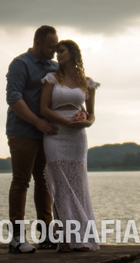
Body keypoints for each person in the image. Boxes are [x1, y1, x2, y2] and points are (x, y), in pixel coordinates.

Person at [39, 39, 99, 252]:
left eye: (62, 51)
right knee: (61, 186)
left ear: (73, 53)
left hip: (77, 138)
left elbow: (91, 114)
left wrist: (86, 123)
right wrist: (65, 122)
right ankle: (64, 239)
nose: (58, 55)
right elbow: (44, 109)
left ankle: (80, 239)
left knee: (78, 185)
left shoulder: (87, 82)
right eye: (57, 52)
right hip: (55, 135)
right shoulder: (51, 79)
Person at [5, 25, 61, 253]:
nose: (54, 51)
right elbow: (13, 99)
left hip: (46, 134)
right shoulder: (20, 64)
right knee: (21, 181)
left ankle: (46, 234)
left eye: (56, 47)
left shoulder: (55, 67)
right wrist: (37, 122)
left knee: (44, 182)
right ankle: (17, 238)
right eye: (50, 46)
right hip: (22, 132)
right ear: (38, 43)